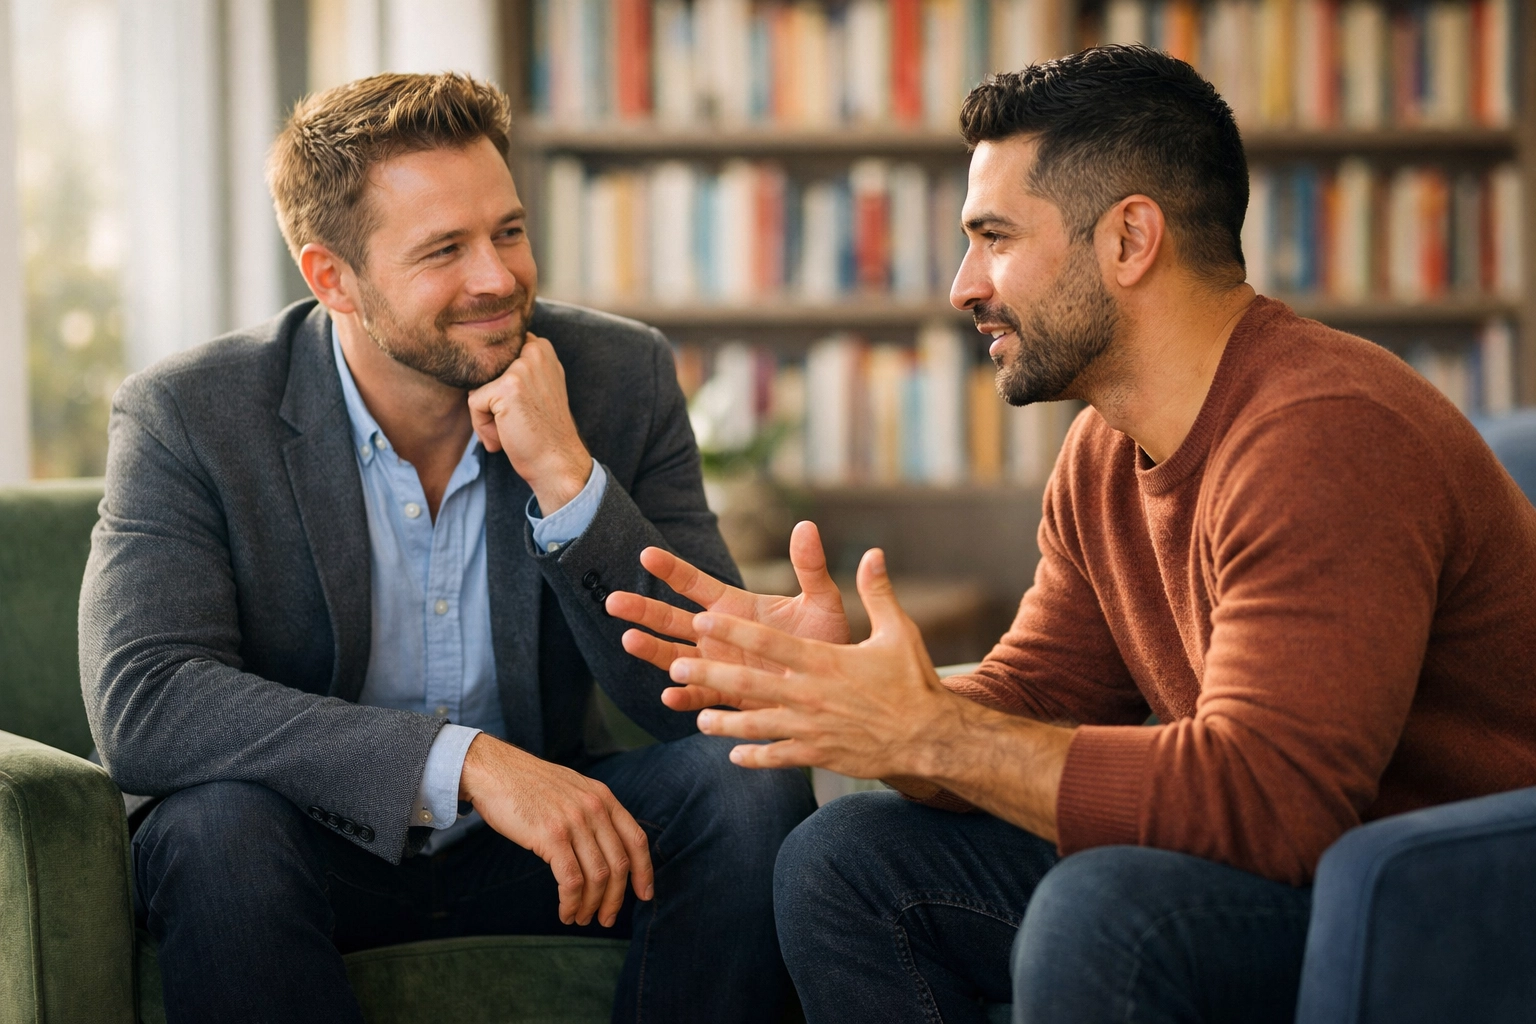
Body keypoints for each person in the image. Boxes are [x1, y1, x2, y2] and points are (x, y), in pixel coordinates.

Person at [607, 46, 1536, 1023]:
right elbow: (1032, 697)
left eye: (994, 237)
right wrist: (856, 689)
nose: (964, 286)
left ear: (1130, 239)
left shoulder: (1325, 431)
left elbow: (1267, 804)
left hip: (1446, 894)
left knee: (1103, 913)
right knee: (845, 859)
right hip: (1293, 870)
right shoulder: (1103, 453)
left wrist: (929, 724)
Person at [80, 72, 813, 1024]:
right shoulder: (190, 414)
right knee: (213, 829)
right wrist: (464, 761)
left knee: (746, 784)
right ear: (331, 277)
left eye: (508, 230)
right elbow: (146, 700)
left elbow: (703, 697)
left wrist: (569, 480)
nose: (499, 277)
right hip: (308, 847)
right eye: (444, 250)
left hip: (553, 853)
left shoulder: (617, 376)